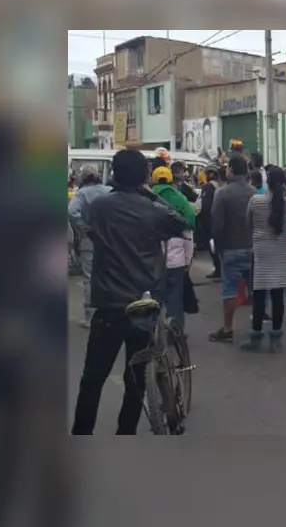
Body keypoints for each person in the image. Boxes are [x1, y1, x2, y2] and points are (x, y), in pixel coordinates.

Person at [71, 148, 191, 435]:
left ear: (114, 173)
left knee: (93, 378)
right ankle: (126, 433)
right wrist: (150, 194)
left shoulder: (100, 207)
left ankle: (82, 433)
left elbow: (88, 229)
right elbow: (182, 221)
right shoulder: (153, 210)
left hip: (109, 304)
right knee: (135, 377)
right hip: (144, 303)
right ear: (144, 176)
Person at [243, 167, 286, 352]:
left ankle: (256, 336)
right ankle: (276, 338)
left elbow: (248, 224)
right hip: (280, 253)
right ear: (283, 183)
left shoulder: (256, 200)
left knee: (258, 296)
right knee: (277, 297)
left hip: (261, 252)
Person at [208, 155, 256, 342]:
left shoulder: (222, 193)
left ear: (232, 171)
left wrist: (218, 247)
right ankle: (257, 325)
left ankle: (228, 328)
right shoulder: (255, 192)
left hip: (230, 248)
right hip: (252, 247)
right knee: (255, 290)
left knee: (229, 289)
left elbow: (217, 224)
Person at [150, 166, 196, 329]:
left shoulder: (146, 197)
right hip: (176, 260)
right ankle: (176, 333)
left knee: (153, 299)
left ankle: (152, 331)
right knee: (175, 298)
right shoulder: (181, 198)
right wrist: (188, 261)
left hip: (152, 260)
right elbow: (188, 233)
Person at [67, 165, 111, 327]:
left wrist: (83, 227)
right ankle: (110, 314)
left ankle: (91, 317)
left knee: (90, 279)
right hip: (111, 241)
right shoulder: (109, 190)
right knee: (109, 276)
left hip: (89, 242)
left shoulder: (82, 193)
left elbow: (72, 212)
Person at [198, 165, 222, 278]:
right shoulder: (219, 186)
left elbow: (206, 205)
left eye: (207, 173)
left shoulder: (209, 187)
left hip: (209, 221)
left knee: (212, 246)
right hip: (216, 220)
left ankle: (218, 269)